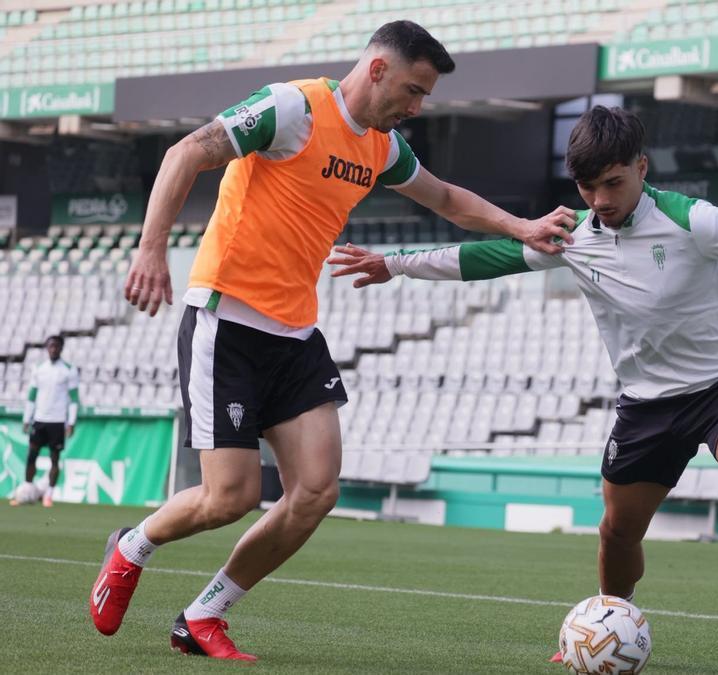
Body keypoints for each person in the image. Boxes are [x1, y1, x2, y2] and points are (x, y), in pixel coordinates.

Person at [329, 106, 718, 675]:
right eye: (587, 188)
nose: (601, 200)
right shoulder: (573, 236)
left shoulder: (693, 220)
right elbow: (485, 259)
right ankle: (604, 626)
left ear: (642, 168)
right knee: (618, 533)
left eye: (613, 183)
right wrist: (395, 263)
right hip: (646, 401)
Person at [89, 20, 575, 662]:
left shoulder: (382, 146)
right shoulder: (290, 107)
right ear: (377, 69)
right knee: (230, 497)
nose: (417, 107)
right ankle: (131, 548)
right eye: (413, 90)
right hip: (227, 321)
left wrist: (523, 226)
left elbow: (446, 198)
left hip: (294, 333)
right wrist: (152, 249)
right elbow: (186, 153)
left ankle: (204, 615)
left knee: (316, 491)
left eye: (425, 96)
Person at [12, 335, 79, 508]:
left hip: (57, 421)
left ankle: (48, 495)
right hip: (39, 419)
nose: (53, 349)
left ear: (61, 348)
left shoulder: (69, 370)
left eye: (56, 346)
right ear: (47, 348)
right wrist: (27, 418)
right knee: (31, 456)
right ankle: (26, 491)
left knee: (54, 459)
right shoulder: (39, 368)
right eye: (51, 346)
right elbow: (32, 395)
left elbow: (74, 398)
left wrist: (71, 422)